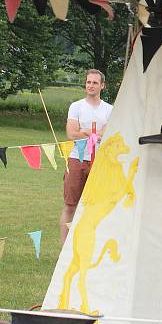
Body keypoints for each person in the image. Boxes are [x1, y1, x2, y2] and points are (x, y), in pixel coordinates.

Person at [60, 69, 113, 244]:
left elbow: (109, 134)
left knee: (96, 206)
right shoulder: (76, 106)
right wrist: (95, 133)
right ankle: (63, 248)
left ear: (102, 86)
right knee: (70, 204)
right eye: (88, 82)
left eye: (95, 83)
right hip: (77, 159)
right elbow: (71, 134)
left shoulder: (109, 110)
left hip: (100, 161)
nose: (90, 85)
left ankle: (89, 246)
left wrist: (84, 130)